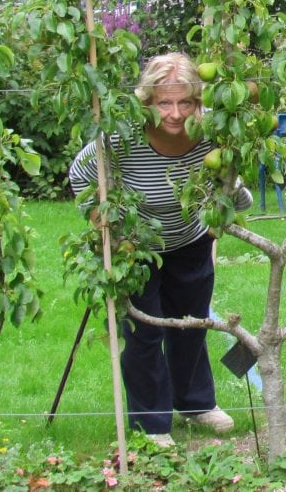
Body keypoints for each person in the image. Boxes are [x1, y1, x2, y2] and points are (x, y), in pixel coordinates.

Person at [69, 51, 252, 448]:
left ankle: (195, 403)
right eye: (164, 102)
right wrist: (101, 222)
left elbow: (232, 187)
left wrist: (225, 209)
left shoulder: (209, 134)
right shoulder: (122, 136)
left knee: (191, 324)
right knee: (144, 331)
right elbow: (81, 175)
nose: (174, 113)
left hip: (189, 239)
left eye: (185, 102)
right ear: (147, 101)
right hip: (135, 246)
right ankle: (151, 423)